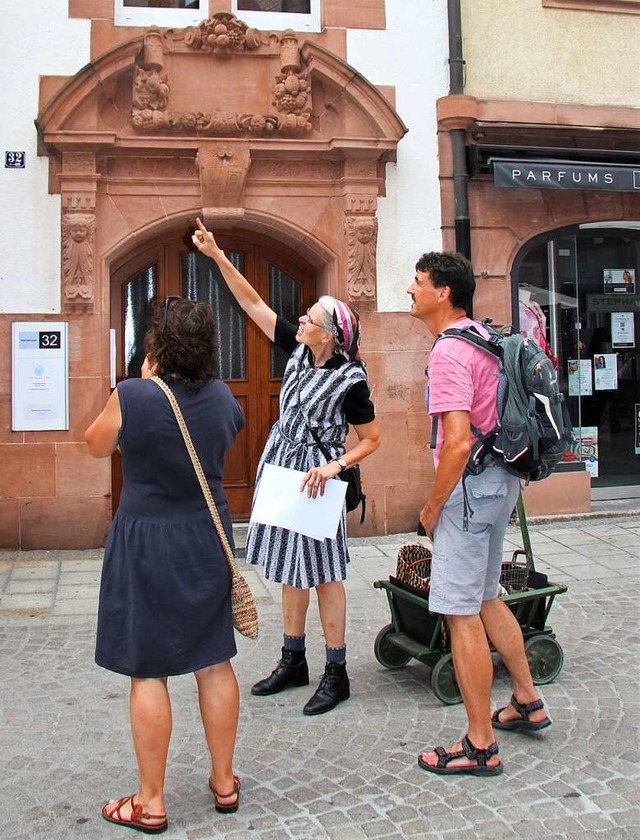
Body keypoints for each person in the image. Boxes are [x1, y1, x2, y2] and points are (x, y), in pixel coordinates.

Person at [192, 218, 380, 716]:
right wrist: (216, 256)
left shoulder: (351, 380)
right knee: (291, 569)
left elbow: (373, 440)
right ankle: (293, 659)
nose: (300, 321)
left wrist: (336, 466)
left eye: (310, 318)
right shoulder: (297, 350)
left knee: (326, 573)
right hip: (285, 474)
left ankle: (336, 671)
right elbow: (252, 302)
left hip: (321, 481)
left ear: (330, 335)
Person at [85, 297, 245, 833]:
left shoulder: (132, 396)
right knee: (214, 659)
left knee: (148, 667)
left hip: (147, 537)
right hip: (207, 533)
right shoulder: (224, 398)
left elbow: (94, 445)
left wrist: (142, 379)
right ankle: (224, 781)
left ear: (157, 344)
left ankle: (151, 800)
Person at [408, 252, 551, 777]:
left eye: (418, 282)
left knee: (459, 609)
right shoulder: (485, 338)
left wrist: (431, 504)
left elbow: (458, 442)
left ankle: (480, 744)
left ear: (443, 292)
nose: (411, 290)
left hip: (468, 491)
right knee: (487, 595)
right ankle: (527, 699)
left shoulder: (449, 351)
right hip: (501, 484)